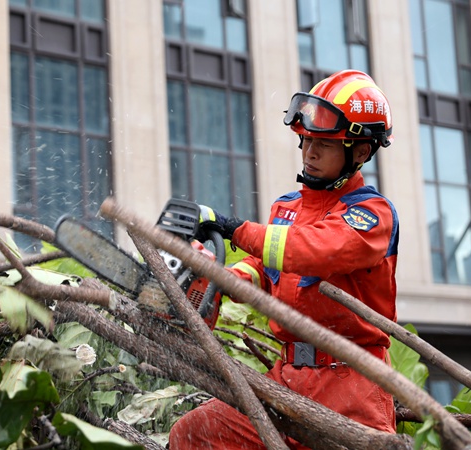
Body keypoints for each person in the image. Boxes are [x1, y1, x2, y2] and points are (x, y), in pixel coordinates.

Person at [168, 69, 399, 449]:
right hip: (288, 378)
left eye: (324, 144)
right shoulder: (287, 208)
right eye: (307, 139)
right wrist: (222, 280)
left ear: (360, 152)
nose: (310, 151)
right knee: (195, 433)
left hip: (352, 386)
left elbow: (310, 250)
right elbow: (267, 267)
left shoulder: (372, 215)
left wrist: (232, 227)